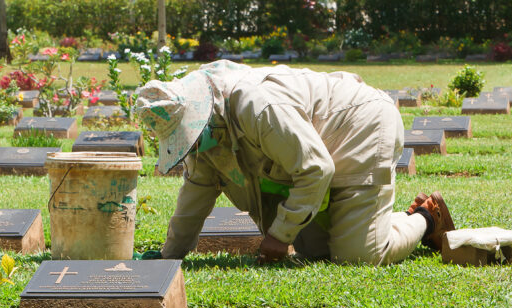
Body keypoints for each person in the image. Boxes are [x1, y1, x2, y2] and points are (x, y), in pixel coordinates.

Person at [134, 60, 454, 265]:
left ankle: (427, 217)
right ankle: (382, 222)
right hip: (319, 143)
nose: (192, 146)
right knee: (317, 252)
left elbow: (316, 168)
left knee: (358, 256)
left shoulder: (255, 105)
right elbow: (197, 190)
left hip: (360, 124)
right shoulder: (207, 132)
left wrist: (280, 235)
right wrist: (169, 256)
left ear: (201, 113)